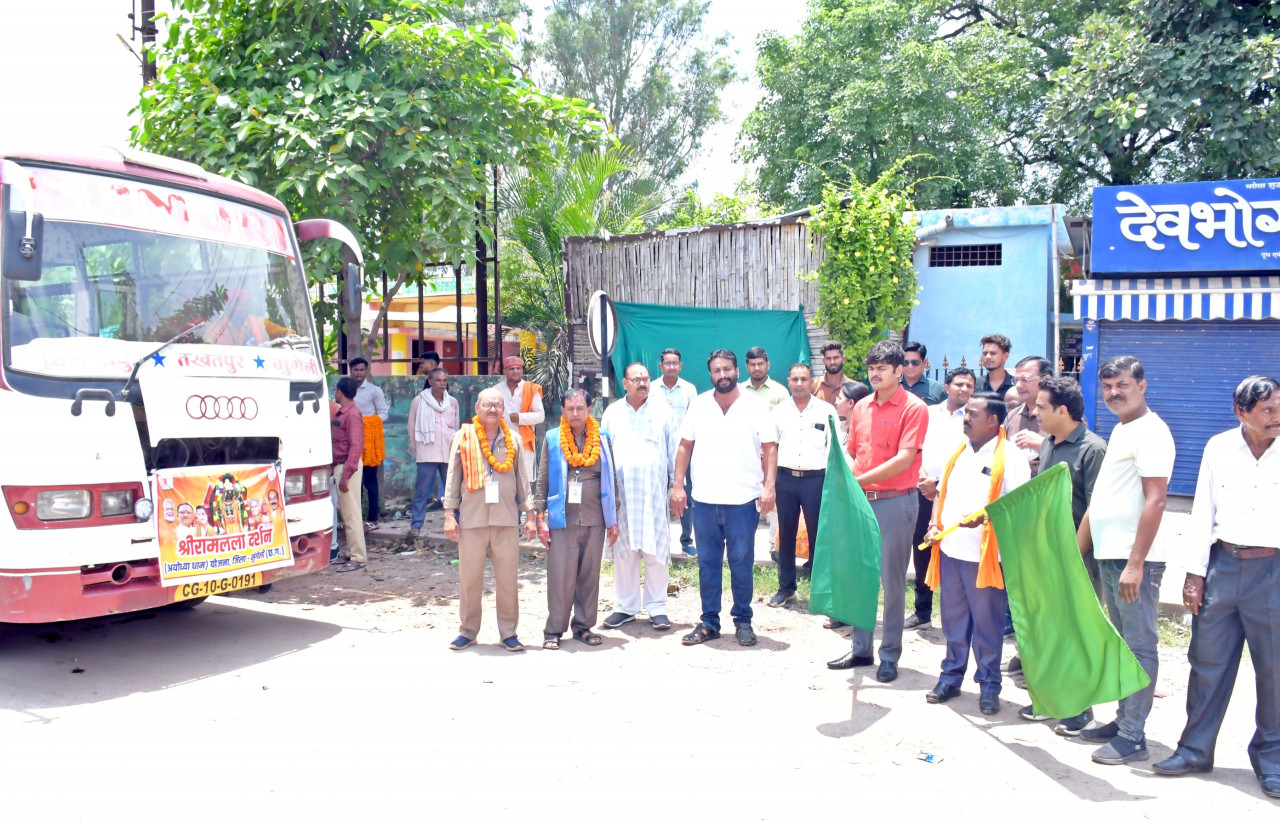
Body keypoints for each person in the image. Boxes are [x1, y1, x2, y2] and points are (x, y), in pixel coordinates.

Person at [1154, 376, 1280, 799]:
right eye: (1268, 409)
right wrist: (1195, 574)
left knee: (1275, 671)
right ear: (1241, 412)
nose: (1277, 415)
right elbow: (1202, 511)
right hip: (1224, 565)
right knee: (1207, 662)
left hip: (1274, 570)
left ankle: (1273, 759)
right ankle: (1194, 750)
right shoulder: (1219, 447)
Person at [1076, 355, 1175, 765]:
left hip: (1134, 563)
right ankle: (1122, 721)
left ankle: (1133, 735)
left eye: (1123, 385)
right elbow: (1101, 499)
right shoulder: (1122, 430)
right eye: (1107, 387)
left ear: (1142, 386)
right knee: (1122, 645)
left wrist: (1136, 563)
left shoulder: (1152, 432)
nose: (1114, 393)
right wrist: (1078, 550)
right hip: (1111, 556)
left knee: (1138, 646)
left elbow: (1156, 499)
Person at [922, 392, 1031, 715]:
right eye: (966, 412)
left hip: (986, 559)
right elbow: (940, 492)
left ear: (993, 420)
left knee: (987, 625)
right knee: (953, 621)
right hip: (952, 551)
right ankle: (950, 677)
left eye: (972, 413)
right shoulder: (958, 450)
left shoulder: (1011, 458)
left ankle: (989, 685)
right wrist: (933, 524)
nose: (965, 418)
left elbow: (1018, 507)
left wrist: (986, 517)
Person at [827, 341, 928, 683]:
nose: (875, 374)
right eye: (871, 368)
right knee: (860, 576)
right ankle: (860, 649)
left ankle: (889, 655)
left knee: (892, 582)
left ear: (899, 371)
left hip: (895, 501)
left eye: (882, 368)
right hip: (861, 501)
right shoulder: (862, 407)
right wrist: (850, 477)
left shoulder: (914, 408)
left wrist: (858, 480)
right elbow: (853, 450)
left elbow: (904, 459)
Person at [1017, 375, 1108, 734]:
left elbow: (1096, 509)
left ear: (1063, 411)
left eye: (1041, 407)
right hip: (1047, 551)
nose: (1035, 412)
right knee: (1049, 628)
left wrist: (1073, 554)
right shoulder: (1050, 443)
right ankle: (1052, 699)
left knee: (1076, 630)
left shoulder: (1093, 449)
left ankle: (1080, 708)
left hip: (1078, 556)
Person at [672, 349, 777, 648]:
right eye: (717, 370)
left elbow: (770, 447)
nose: (722, 375)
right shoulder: (699, 404)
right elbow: (684, 446)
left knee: (741, 563)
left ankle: (743, 622)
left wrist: (769, 486)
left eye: (727, 369)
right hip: (704, 500)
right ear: (710, 374)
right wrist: (678, 487)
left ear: (737, 371)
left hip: (742, 502)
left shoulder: (754, 405)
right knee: (708, 563)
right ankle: (709, 623)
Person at [442, 388, 537, 652]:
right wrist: (449, 515)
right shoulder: (463, 437)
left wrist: (529, 515)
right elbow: (453, 478)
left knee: (507, 580)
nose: (493, 409)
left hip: (506, 519)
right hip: (472, 520)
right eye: (488, 404)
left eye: (498, 405)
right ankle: (468, 631)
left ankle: (508, 633)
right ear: (477, 408)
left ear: (504, 410)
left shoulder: (513, 439)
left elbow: (522, 480)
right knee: (470, 579)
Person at [534, 389, 618, 649]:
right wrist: (539, 516)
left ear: (589, 410)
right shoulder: (552, 437)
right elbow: (543, 478)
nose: (575, 413)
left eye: (580, 408)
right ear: (562, 411)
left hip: (595, 517)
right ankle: (554, 630)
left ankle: (583, 626)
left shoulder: (602, 437)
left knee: (589, 575)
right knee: (560, 574)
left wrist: (613, 518)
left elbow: (611, 477)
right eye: (570, 409)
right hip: (562, 518)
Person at [600, 363, 679, 632]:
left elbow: (673, 451)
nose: (643, 383)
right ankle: (625, 607)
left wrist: (676, 487)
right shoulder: (612, 413)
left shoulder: (663, 411)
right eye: (636, 379)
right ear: (625, 383)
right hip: (620, 497)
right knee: (624, 553)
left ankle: (658, 608)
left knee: (656, 552)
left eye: (645, 378)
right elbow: (604, 453)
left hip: (653, 494)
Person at [912, 367, 976, 631]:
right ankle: (922, 611)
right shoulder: (928, 413)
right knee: (922, 549)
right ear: (947, 387)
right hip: (922, 488)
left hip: (956, 494)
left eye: (969, 385)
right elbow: (914, 446)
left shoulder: (974, 417)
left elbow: (972, 457)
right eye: (959, 384)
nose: (964, 389)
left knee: (956, 551)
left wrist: (938, 485)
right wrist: (923, 479)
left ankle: (958, 616)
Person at [769, 363, 837, 607]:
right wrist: (770, 481)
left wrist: (831, 482)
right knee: (786, 534)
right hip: (785, 479)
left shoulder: (826, 410)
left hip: (816, 481)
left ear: (812, 382)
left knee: (819, 535)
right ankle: (786, 588)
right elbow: (771, 448)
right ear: (788, 381)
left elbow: (833, 448)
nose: (799, 384)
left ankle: (821, 591)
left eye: (804, 379)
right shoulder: (778, 412)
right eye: (795, 379)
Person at [655, 347, 698, 557]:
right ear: (661, 365)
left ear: (680, 366)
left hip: (684, 451)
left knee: (684, 496)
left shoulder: (689, 390)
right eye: (667, 363)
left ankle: (686, 540)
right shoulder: (651, 389)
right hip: (657, 451)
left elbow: (695, 420)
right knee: (658, 496)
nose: (671, 366)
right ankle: (661, 541)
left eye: (675, 363)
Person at [408, 368, 460, 537]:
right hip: (427, 452)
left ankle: (459, 523)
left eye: (444, 380)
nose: (441, 384)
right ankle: (416, 525)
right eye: (438, 380)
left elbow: (456, 427)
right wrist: (417, 449)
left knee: (453, 491)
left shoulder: (452, 402)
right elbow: (411, 426)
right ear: (430, 382)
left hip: (448, 451)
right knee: (422, 492)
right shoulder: (419, 401)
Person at [330, 376, 367, 572]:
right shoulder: (346, 412)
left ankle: (358, 557)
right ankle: (353, 552)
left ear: (340, 392)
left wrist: (346, 475)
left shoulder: (351, 414)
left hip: (347, 466)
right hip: (343, 465)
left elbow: (356, 446)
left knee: (351, 513)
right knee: (347, 512)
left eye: (336, 390)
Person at [496, 355, 545, 499]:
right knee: (502, 479)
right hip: (501, 442)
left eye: (518, 368)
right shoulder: (496, 390)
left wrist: (520, 418)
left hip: (524, 443)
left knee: (522, 482)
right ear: (505, 371)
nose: (515, 371)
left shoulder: (530, 389)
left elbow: (540, 416)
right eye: (511, 369)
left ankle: (520, 511)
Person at [348, 357, 388, 532]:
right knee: (353, 483)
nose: (359, 373)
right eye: (356, 370)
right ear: (350, 370)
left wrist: (365, 422)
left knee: (370, 482)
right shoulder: (345, 389)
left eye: (362, 370)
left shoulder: (374, 391)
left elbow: (384, 414)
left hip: (369, 445)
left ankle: (373, 519)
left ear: (367, 370)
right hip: (350, 442)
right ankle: (355, 520)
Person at [1004, 356, 1051, 474]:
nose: (1018, 386)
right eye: (1016, 380)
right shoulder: (1012, 416)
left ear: (1045, 380)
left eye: (1025, 379)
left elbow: (1077, 455)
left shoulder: (1062, 414)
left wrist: (1043, 445)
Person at [203, 285, 291, 346]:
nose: (245, 307)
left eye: (247, 303)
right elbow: (207, 352)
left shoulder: (260, 323)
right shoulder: (214, 329)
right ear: (229, 306)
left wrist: (283, 336)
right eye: (240, 304)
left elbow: (290, 335)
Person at [834, 380, 872, 450]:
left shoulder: (866, 430)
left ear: (850, 403)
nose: (836, 402)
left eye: (840, 398)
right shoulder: (836, 426)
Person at [815, 341, 856, 406]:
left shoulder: (853, 387)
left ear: (843, 359)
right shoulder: (814, 386)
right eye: (828, 358)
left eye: (836, 358)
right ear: (824, 361)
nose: (832, 362)